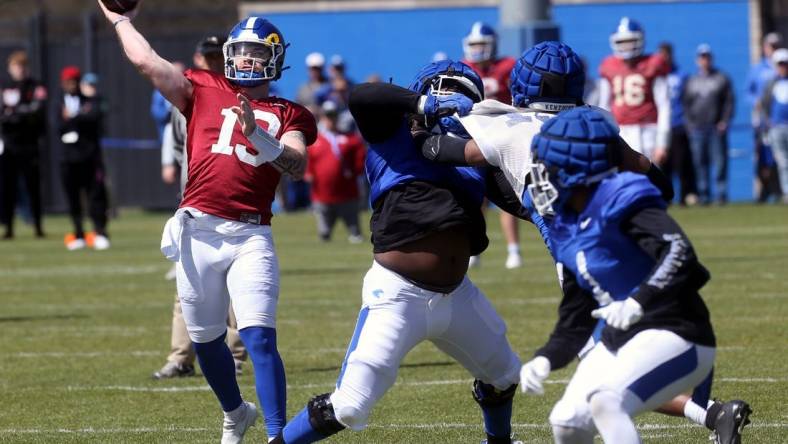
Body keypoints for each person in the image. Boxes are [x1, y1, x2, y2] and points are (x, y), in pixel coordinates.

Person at [416, 41, 749, 444]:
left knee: (598, 367)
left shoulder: (507, 126)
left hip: (586, 254)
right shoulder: (596, 122)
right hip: (633, 238)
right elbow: (655, 178)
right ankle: (712, 413)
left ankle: (714, 414)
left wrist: (418, 129)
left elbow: (445, 151)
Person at [270, 60, 523, 444]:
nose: (454, 104)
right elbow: (363, 96)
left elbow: (523, 201)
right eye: (446, 92)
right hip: (398, 294)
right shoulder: (392, 134)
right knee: (350, 406)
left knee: (505, 376)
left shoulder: (476, 153)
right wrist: (422, 106)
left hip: (457, 295)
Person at [98, 3, 318, 443]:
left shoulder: (289, 112)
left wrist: (257, 132)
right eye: (242, 51)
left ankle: (276, 435)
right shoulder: (201, 87)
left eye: (257, 52)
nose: (247, 60)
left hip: (250, 234)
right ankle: (236, 412)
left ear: (274, 58)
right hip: (196, 231)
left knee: (258, 338)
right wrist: (119, 19)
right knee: (205, 342)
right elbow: (146, 61)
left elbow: (296, 165)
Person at [520, 106, 723, 443]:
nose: (542, 174)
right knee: (567, 420)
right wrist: (547, 357)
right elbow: (576, 316)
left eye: (549, 164)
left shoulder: (622, 197)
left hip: (678, 332)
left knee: (605, 401)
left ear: (577, 167)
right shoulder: (568, 224)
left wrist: (637, 300)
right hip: (622, 340)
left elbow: (679, 252)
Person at [153, 35, 249, 381]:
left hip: (233, 207)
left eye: (217, 56)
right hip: (194, 205)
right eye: (207, 56)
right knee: (187, 284)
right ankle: (181, 357)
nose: (212, 62)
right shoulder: (189, 91)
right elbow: (178, 142)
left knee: (237, 286)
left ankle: (236, 354)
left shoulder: (242, 93)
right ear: (198, 57)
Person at [461, 21, 522, 269]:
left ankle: (513, 250)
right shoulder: (464, 68)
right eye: (474, 44)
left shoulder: (507, 66)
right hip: (474, 135)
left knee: (507, 193)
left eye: (482, 44)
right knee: (475, 194)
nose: (478, 50)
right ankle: (474, 249)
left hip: (504, 134)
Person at [598, 17, 671, 164]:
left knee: (650, 180)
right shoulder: (608, 65)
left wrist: (662, 142)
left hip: (648, 131)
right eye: (622, 42)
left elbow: (664, 105)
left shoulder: (653, 63)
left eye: (630, 41)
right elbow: (603, 105)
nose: (626, 46)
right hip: (620, 130)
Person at [57, 66, 110, 251]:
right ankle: (78, 233)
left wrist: (73, 117)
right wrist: (78, 118)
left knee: (95, 196)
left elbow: (94, 117)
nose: (70, 85)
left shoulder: (90, 100)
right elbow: (57, 125)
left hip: (89, 156)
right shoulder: (58, 102)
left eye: (73, 81)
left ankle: (100, 231)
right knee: (73, 197)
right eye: (67, 82)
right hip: (67, 158)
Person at [0, 50, 47, 239]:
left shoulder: (35, 86)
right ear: (9, 68)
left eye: (22, 66)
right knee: (6, 187)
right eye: (16, 66)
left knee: (33, 186)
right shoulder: (3, 86)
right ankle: (8, 227)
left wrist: (14, 114)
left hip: (29, 144)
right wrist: (18, 114)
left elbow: (37, 111)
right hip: (8, 144)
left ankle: (37, 226)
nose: (20, 70)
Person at [305, 100, 366, 243]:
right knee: (324, 233)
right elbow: (308, 161)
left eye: (333, 115)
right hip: (322, 194)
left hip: (347, 193)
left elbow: (360, 160)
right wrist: (308, 174)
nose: (330, 119)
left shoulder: (350, 139)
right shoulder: (314, 141)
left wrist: (355, 172)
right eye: (327, 116)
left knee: (354, 231)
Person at [682, 44, 735, 205]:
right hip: (697, 129)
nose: (705, 60)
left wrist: (725, 121)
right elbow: (685, 104)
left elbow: (729, 102)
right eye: (702, 57)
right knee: (700, 163)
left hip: (715, 128)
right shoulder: (691, 81)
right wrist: (689, 124)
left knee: (719, 163)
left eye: (707, 57)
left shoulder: (721, 78)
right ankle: (704, 195)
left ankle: (721, 195)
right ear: (698, 60)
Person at [658, 42, 697, 205]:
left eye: (667, 55)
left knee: (681, 163)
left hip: (678, 124)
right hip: (661, 127)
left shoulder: (681, 75)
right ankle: (666, 197)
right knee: (662, 164)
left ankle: (684, 197)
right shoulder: (657, 76)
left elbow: (689, 100)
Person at [750, 33, 785, 202]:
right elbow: (752, 95)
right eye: (771, 46)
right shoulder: (759, 70)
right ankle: (767, 192)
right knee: (766, 159)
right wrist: (757, 105)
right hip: (768, 124)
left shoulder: (780, 72)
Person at [760, 48, 788, 203]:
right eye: (780, 64)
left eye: (785, 64)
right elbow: (764, 105)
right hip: (777, 127)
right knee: (782, 161)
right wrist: (767, 123)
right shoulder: (771, 84)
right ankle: (786, 191)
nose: (783, 67)